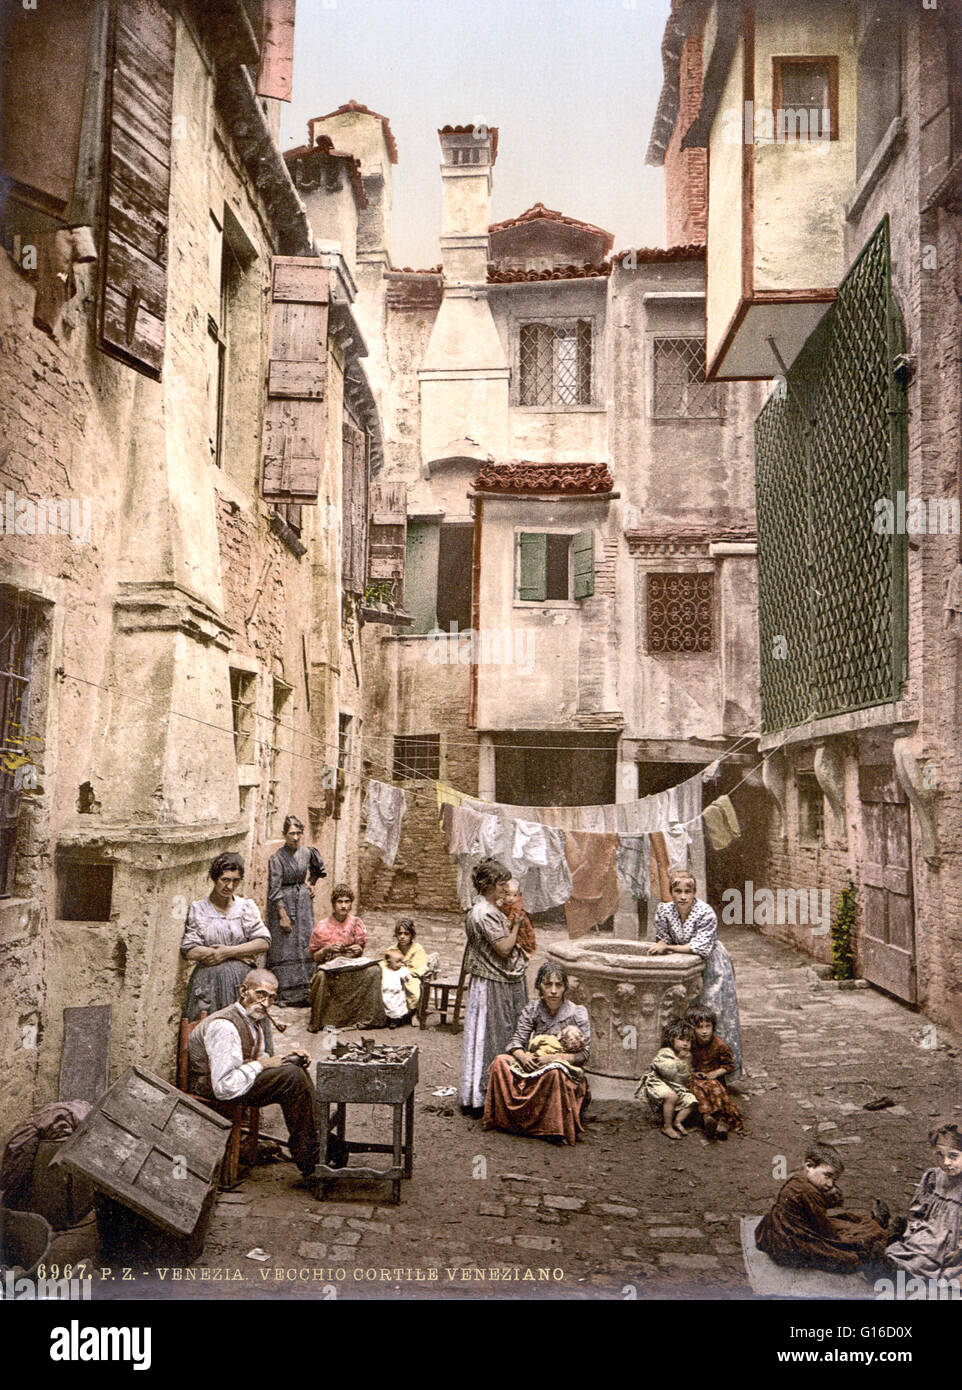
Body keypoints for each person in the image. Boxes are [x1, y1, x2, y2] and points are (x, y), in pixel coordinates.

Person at [186, 969, 319, 1180]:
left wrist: (287, 1057)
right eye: (260, 994)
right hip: (212, 1086)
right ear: (243, 991)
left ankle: (315, 1145)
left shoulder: (251, 1020)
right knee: (292, 1078)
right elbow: (223, 1086)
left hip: (234, 1080)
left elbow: (256, 1057)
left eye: (271, 998)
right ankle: (312, 1157)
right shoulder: (225, 1026)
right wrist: (265, 1065)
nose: (265, 1003)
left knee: (295, 1069)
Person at [483, 961, 591, 1146]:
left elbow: (584, 1054)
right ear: (539, 986)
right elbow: (516, 1042)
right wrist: (523, 1057)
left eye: (558, 985)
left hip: (562, 1070)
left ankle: (550, 1129)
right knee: (500, 1062)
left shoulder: (577, 1013)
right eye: (547, 984)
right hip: (534, 1063)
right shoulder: (532, 1010)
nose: (553, 991)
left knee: (554, 1073)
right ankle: (505, 1121)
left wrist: (553, 1058)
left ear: (565, 987)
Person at [647, 868, 742, 1075]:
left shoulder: (705, 912)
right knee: (685, 1015)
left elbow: (700, 948)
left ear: (694, 893)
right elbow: (662, 938)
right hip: (683, 965)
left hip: (711, 965)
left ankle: (717, 1072)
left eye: (687, 891)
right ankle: (689, 1070)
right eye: (678, 891)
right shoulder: (664, 911)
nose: (683, 896)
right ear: (671, 892)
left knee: (710, 1012)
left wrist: (668, 947)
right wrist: (663, 944)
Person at [458, 859, 528, 1118]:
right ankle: (488, 1095)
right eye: (501, 884)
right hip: (493, 983)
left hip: (493, 979)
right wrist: (517, 926)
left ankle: (486, 1094)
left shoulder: (486, 909)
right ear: (487, 885)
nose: (505, 889)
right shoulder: (484, 913)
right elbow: (504, 949)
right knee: (493, 1036)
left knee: (490, 1036)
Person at [755, 1142, 890, 1273]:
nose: (830, 1183)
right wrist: (844, 1240)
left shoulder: (800, 1179)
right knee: (842, 1254)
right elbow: (824, 1229)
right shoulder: (807, 1191)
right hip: (791, 1241)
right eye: (827, 1176)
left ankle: (875, 1227)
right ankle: (875, 1248)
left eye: (834, 1180)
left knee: (846, 1220)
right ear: (809, 1166)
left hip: (785, 1229)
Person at [181, 853, 270, 1021]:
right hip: (210, 981)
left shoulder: (245, 907)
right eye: (225, 880)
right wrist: (235, 954)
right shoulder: (199, 909)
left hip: (242, 981)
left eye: (235, 881)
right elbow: (190, 950)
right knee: (210, 1026)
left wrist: (228, 952)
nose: (230, 886)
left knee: (242, 1026)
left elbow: (263, 942)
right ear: (215, 878)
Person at [884, 1119, 962, 1284]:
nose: (946, 1162)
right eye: (939, 1155)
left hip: (953, 1240)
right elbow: (919, 1209)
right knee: (913, 1245)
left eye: (953, 1156)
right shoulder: (933, 1177)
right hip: (930, 1230)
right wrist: (913, 1227)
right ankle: (890, 1256)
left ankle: (900, 1270)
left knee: (927, 1256)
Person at [266, 815, 326, 1006]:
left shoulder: (307, 852)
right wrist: (282, 915)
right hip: (284, 903)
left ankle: (304, 990)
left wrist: (311, 883)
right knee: (286, 945)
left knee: (304, 941)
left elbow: (318, 869)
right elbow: (274, 889)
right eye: (291, 833)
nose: (295, 837)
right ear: (284, 834)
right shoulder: (277, 858)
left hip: (303, 903)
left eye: (299, 833)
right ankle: (286, 992)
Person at [306, 885, 385, 1032]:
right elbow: (315, 956)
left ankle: (365, 1017)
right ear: (333, 903)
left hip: (351, 968)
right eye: (340, 902)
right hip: (331, 972)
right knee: (321, 977)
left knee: (374, 970)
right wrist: (328, 949)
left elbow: (360, 950)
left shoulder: (356, 923)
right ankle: (323, 1020)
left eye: (347, 902)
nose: (343, 906)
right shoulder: (323, 926)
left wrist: (358, 949)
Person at [686, 1004, 744, 1140]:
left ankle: (721, 1121)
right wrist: (693, 1073)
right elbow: (683, 1064)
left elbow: (730, 1066)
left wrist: (715, 1073)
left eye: (708, 1026)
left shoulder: (719, 1045)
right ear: (692, 1028)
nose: (704, 1031)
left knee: (715, 1088)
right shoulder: (690, 1044)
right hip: (696, 1079)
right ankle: (707, 1118)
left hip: (714, 1079)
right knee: (697, 1088)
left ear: (713, 1027)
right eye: (699, 1027)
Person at [636, 1019, 698, 1140]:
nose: (685, 1044)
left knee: (691, 1100)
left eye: (688, 1040)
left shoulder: (687, 1056)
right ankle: (667, 1126)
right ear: (671, 1039)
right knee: (671, 1096)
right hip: (658, 1082)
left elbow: (685, 1077)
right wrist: (680, 1061)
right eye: (681, 1039)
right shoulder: (665, 1053)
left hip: (675, 1084)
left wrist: (687, 1063)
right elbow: (668, 1072)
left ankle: (678, 1121)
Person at [391, 918, 429, 1014]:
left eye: (406, 934)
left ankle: (411, 1012)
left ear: (411, 935)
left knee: (413, 991)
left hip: (411, 978)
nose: (402, 937)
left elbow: (420, 969)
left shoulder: (418, 950)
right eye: (399, 933)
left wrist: (405, 972)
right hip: (394, 978)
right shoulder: (392, 950)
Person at [498, 879, 537, 957]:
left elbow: (515, 913)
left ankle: (524, 949)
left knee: (521, 936)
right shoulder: (503, 903)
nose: (511, 898)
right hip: (509, 923)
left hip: (519, 922)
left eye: (514, 895)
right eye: (508, 895)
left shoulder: (517, 904)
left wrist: (509, 920)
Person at [380, 948, 413, 1028]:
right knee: (388, 1006)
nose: (400, 964)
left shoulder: (401, 970)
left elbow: (407, 976)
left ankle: (397, 1020)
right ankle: (389, 1019)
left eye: (401, 961)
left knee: (398, 1006)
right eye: (397, 962)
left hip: (398, 992)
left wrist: (408, 977)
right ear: (389, 962)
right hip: (386, 992)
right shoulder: (384, 969)